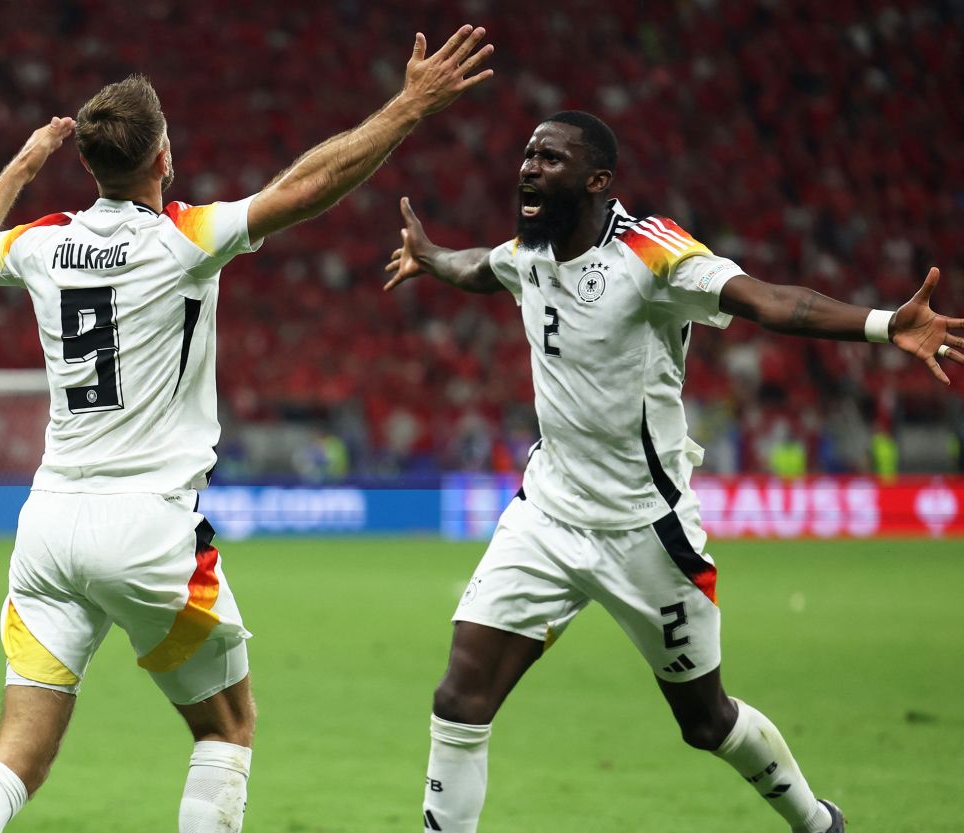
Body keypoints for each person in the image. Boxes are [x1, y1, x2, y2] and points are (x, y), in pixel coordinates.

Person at [0, 26, 495, 833]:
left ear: (87, 165)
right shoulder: (181, 240)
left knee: (16, 755)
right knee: (226, 727)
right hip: (148, 525)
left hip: (48, 522)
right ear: (164, 157)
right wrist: (410, 104)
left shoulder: (43, 244)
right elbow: (310, 185)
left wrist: (26, 160)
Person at [383, 110, 964, 832]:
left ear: (597, 180)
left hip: (647, 534)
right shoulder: (530, 252)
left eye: (551, 158)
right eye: (528, 154)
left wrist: (884, 323)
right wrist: (430, 254)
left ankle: (818, 822)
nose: (529, 167)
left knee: (706, 720)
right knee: (459, 698)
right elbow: (481, 267)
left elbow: (771, 301)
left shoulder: (652, 253)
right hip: (547, 514)